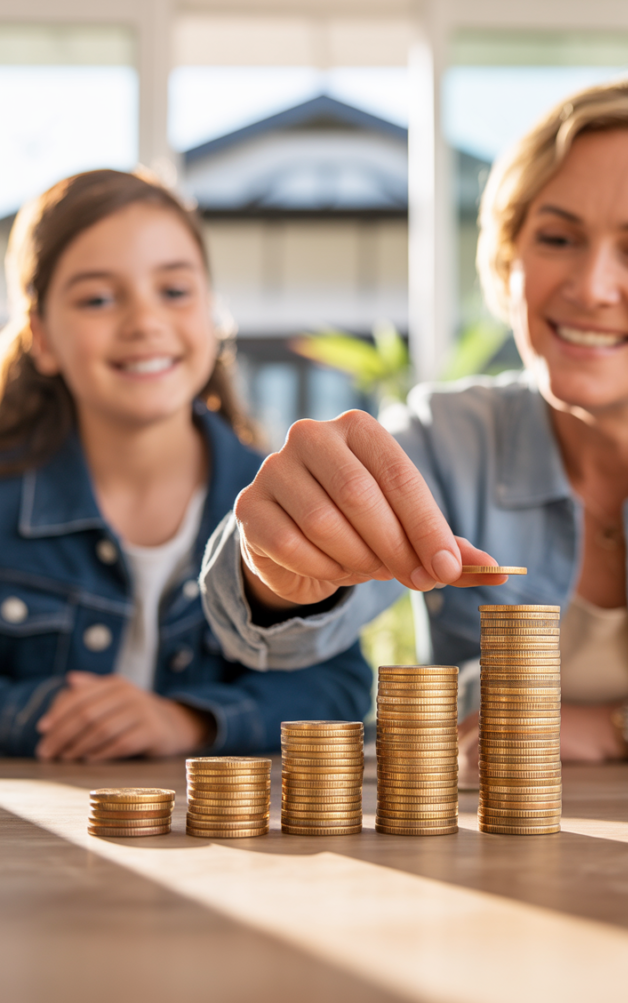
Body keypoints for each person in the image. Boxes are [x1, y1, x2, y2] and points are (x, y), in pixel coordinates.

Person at [201, 80, 628, 769]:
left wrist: (626, 726)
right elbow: (268, 636)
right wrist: (273, 572)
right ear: (511, 257)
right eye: (557, 237)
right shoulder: (445, 438)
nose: (590, 287)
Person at [0, 169, 371, 760]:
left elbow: (337, 687)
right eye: (97, 298)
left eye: (174, 291)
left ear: (211, 314)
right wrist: (44, 712)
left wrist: (188, 721)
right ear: (41, 337)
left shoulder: (278, 500)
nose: (144, 322)